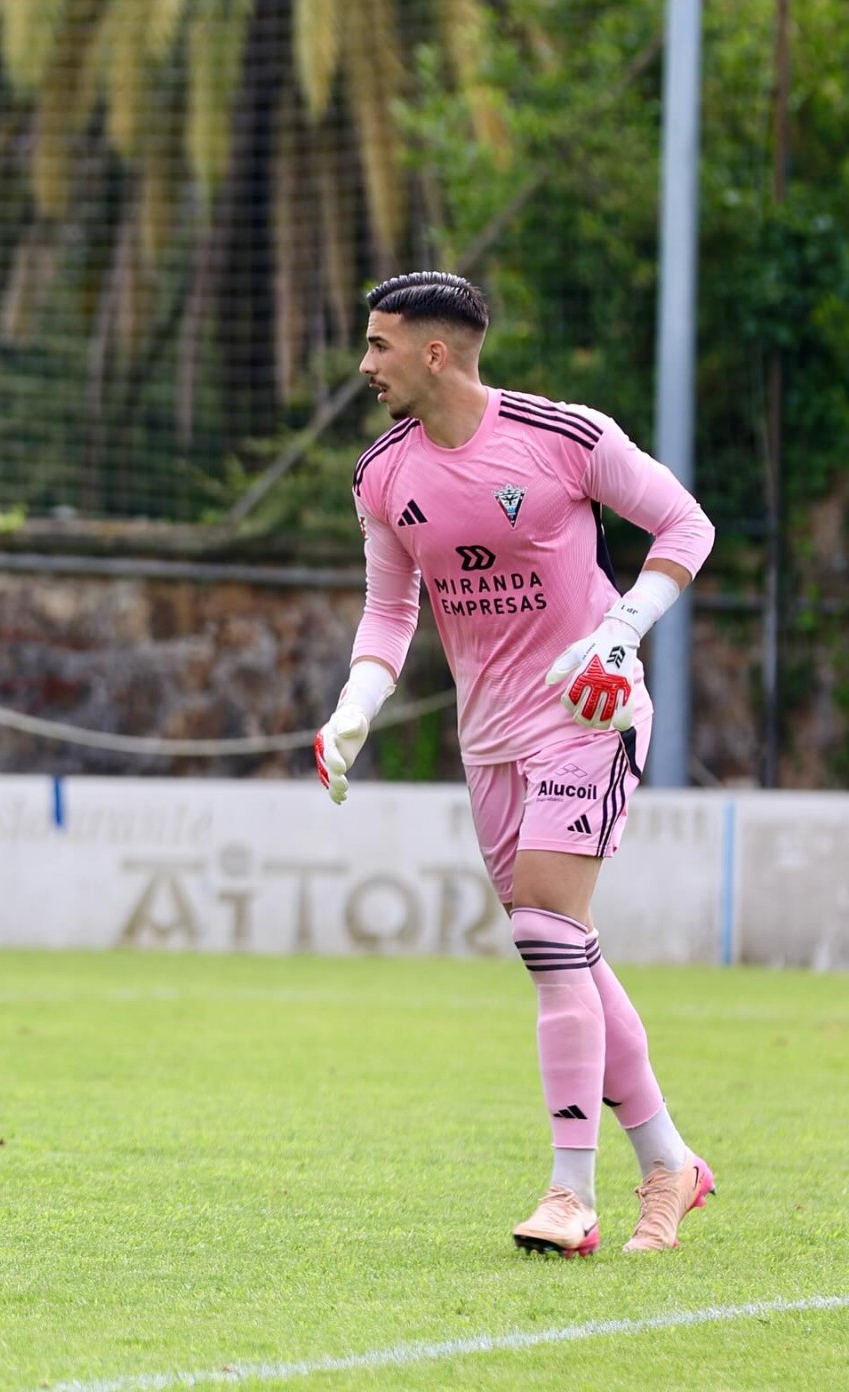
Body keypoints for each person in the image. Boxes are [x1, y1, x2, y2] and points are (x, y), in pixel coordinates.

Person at [315, 271, 716, 1257]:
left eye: (378, 345)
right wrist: (353, 706)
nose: (365, 365)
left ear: (434, 352)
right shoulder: (381, 475)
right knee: (564, 942)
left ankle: (566, 1195)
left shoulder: (562, 435)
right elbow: (386, 610)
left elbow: (684, 527)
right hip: (487, 739)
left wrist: (619, 634)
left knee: (543, 932)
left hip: (589, 713)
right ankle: (667, 1160)